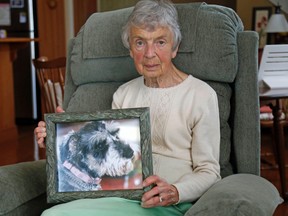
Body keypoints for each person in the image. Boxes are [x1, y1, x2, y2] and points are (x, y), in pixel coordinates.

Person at [34, 0, 221, 215]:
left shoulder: (201, 95)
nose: (149, 53)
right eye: (140, 43)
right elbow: (109, 155)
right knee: (52, 214)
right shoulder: (124, 94)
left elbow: (209, 171)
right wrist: (58, 135)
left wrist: (175, 191)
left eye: (160, 42)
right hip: (125, 197)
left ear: (175, 48)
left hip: (170, 201)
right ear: (131, 49)